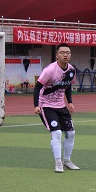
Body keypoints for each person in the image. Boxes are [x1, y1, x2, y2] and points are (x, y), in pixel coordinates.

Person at [33, 43, 80, 173]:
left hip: (61, 105)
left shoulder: (71, 70)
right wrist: (36, 105)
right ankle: (58, 163)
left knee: (71, 133)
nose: (65, 55)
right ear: (57, 55)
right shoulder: (50, 70)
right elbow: (37, 87)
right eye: (62, 52)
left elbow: (68, 85)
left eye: (68, 53)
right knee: (57, 132)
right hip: (46, 105)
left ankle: (67, 161)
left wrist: (70, 102)